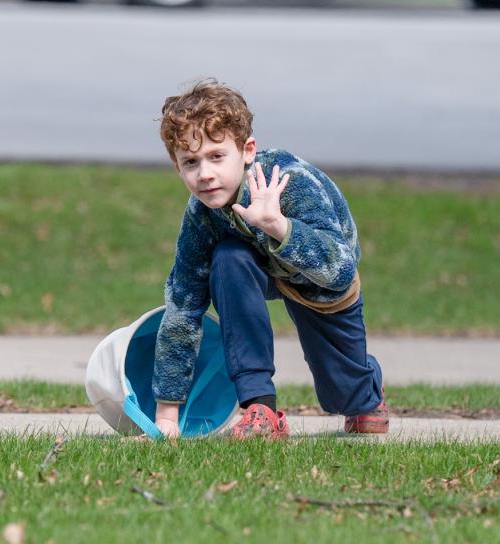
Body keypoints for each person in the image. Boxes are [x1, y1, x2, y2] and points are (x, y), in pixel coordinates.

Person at [151, 78, 388, 439]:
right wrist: (167, 416)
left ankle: (366, 391)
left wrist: (279, 226)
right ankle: (259, 408)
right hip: (252, 269)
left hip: (318, 279)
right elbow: (183, 307)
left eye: (217, 156)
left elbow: (340, 270)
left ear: (247, 150)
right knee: (229, 257)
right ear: (176, 166)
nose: (205, 174)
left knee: (347, 397)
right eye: (191, 162)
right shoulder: (201, 215)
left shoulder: (290, 181)